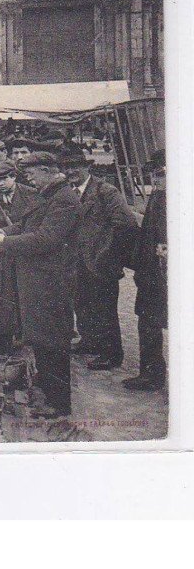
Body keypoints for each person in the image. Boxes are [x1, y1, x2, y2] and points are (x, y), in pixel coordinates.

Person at [0, 152, 82, 419]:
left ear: (48, 170)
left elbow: (45, 239)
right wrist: (4, 232)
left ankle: (59, 404)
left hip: (52, 282)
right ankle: (45, 388)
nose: (31, 181)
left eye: (33, 175)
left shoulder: (64, 200)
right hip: (38, 281)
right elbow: (27, 225)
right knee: (40, 339)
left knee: (54, 343)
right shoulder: (50, 195)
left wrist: (5, 243)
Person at [63, 150, 138, 371]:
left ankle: (111, 353)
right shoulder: (69, 192)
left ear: (88, 167)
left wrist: (109, 254)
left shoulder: (106, 191)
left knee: (104, 309)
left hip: (101, 262)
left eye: (76, 165)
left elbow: (126, 224)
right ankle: (90, 341)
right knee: (82, 303)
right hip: (77, 261)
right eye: (67, 167)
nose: (71, 171)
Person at [0, 160, 36, 354]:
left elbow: (29, 225)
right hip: (2, 252)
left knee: (23, 293)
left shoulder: (30, 194)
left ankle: (23, 335)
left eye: (4, 179)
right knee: (2, 294)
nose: (0, 184)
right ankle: (4, 334)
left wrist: (3, 229)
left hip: (22, 249)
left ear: (13, 176)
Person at [124, 149, 167, 390]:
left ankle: (153, 375)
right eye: (154, 173)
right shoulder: (158, 196)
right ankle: (151, 374)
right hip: (151, 274)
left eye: (161, 173)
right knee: (148, 322)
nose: (156, 179)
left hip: (164, 274)